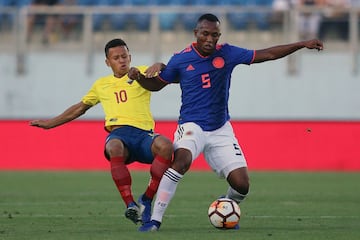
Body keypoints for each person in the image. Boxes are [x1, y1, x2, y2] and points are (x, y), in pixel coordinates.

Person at [127, 13, 324, 231]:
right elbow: (156, 85)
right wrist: (139, 77)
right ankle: (154, 219)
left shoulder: (228, 53)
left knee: (242, 185)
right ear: (196, 34)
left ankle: (226, 205)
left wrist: (301, 44)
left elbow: (266, 54)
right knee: (181, 161)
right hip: (192, 125)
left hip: (221, 128)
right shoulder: (181, 59)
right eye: (205, 34)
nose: (210, 39)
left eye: (215, 35)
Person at [29, 38, 173, 225]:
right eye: (116, 58)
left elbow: (164, 72)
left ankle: (146, 198)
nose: (121, 60)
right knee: (113, 146)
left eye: (124, 56)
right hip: (120, 135)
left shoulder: (140, 71)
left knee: (167, 146)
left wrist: (158, 64)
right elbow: (79, 108)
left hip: (144, 135)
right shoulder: (101, 85)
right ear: (108, 62)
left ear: (130, 57)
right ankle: (130, 204)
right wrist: (50, 124)